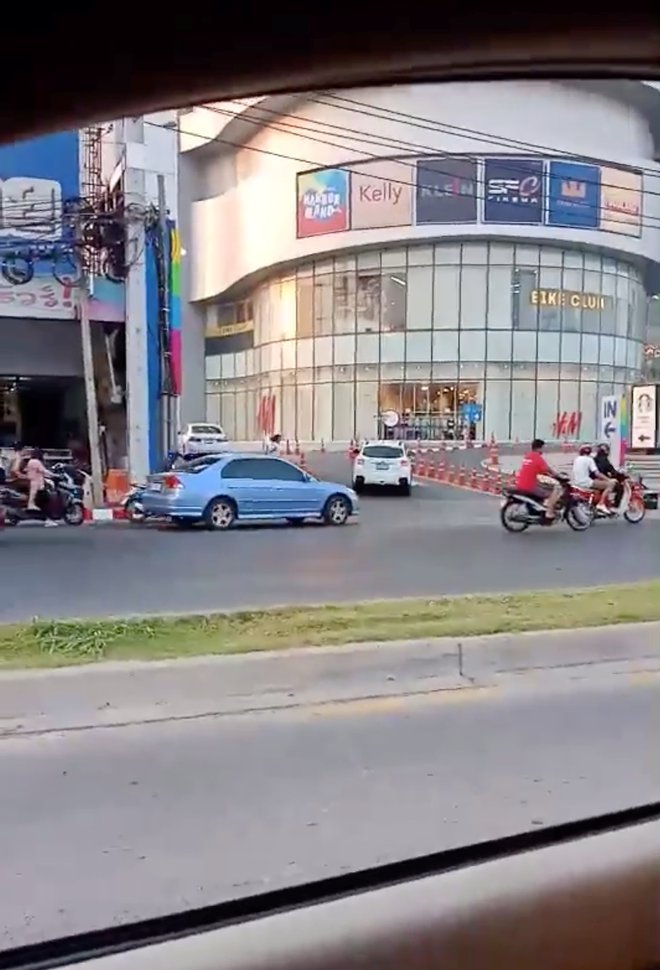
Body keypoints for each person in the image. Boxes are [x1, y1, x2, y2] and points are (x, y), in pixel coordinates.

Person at [515, 438, 562, 522]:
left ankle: (539, 508)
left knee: (543, 486)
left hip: (520, 483)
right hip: (529, 486)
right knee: (554, 491)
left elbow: (536, 470)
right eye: (543, 448)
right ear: (539, 448)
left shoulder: (528, 456)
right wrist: (556, 475)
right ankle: (549, 513)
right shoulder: (537, 457)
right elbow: (547, 469)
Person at [571, 444, 616, 514]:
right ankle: (601, 503)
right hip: (587, 482)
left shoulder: (576, 459)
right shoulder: (589, 460)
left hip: (576, 482)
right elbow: (597, 474)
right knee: (611, 484)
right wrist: (608, 480)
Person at [25, 448, 58, 526]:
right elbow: (43, 470)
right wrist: (54, 475)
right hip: (38, 485)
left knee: (41, 502)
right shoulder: (36, 462)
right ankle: (48, 519)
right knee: (45, 502)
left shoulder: (30, 461)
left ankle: (47, 519)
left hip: (33, 483)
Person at [594, 442, 626, 508]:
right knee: (619, 488)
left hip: (594, 479)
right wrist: (621, 476)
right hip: (601, 480)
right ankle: (615, 505)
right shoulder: (604, 460)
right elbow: (612, 471)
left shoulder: (594, 459)